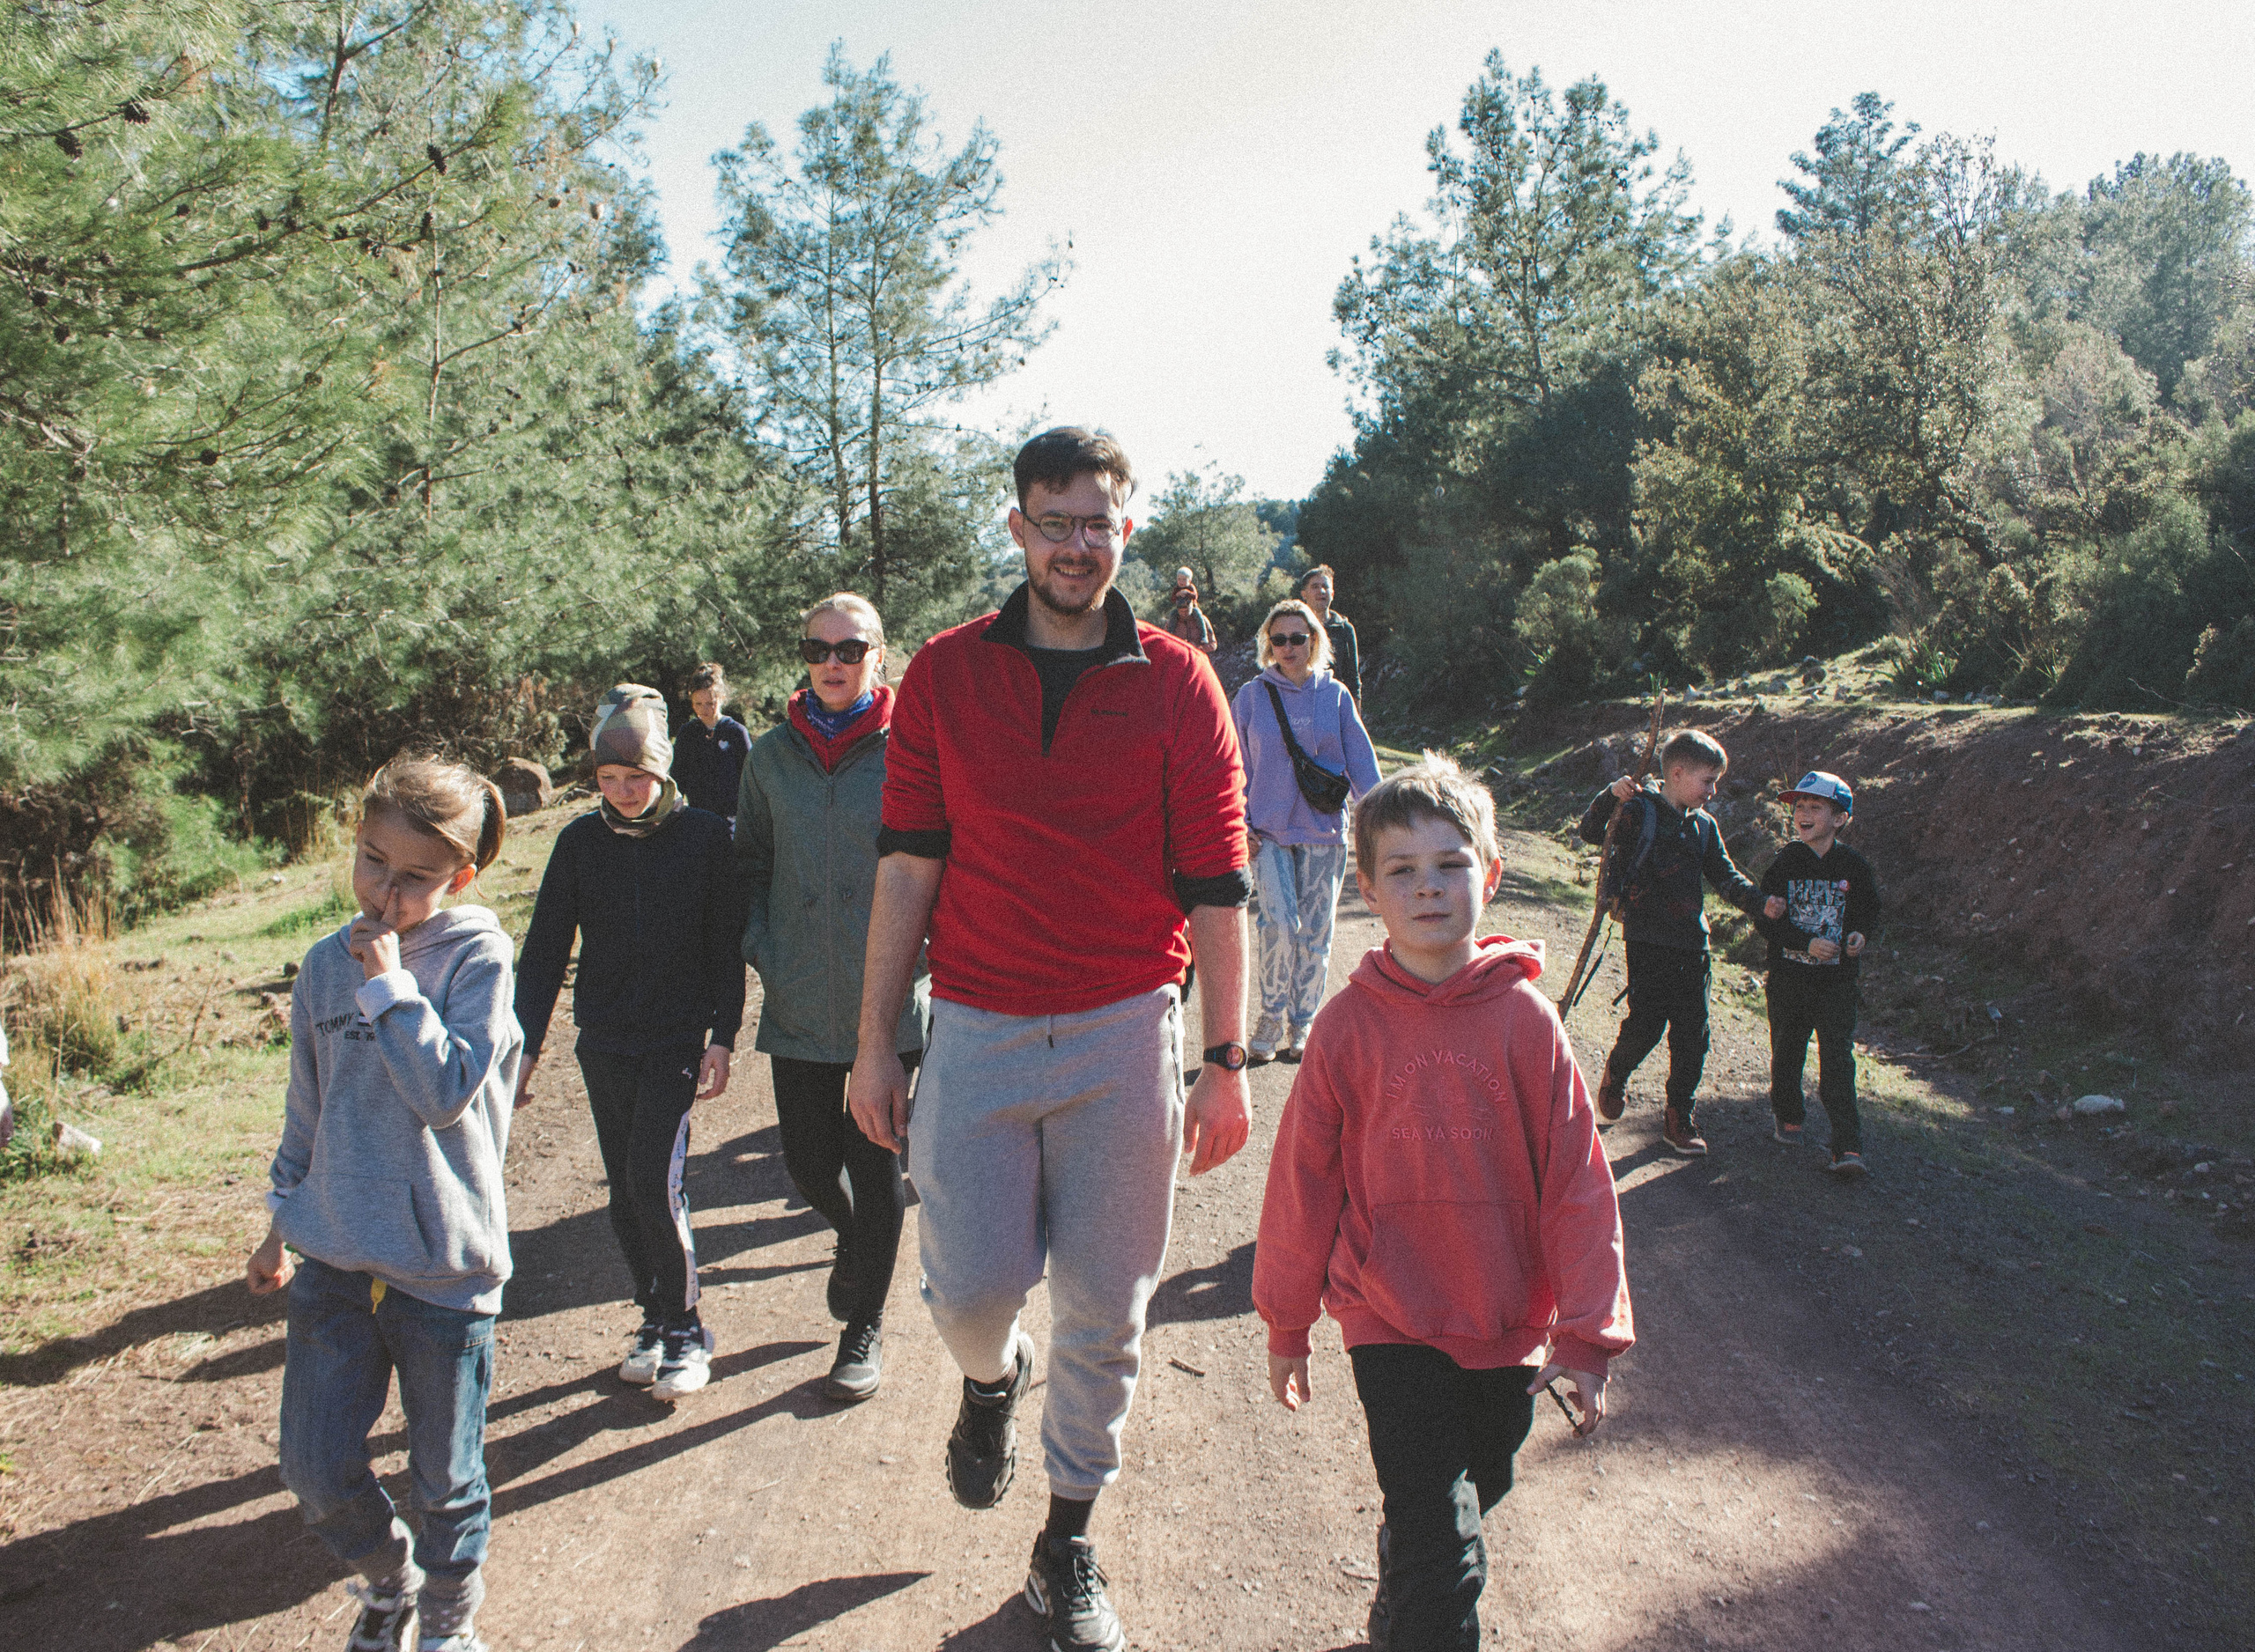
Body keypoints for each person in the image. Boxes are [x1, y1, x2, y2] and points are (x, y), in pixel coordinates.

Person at [847, 425, 1253, 1652]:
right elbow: (908, 866)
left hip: (1127, 1029)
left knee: (1107, 1307)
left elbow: (1219, 888)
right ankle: (988, 1379)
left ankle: (1067, 1542)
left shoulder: (1180, 681)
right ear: (1018, 528)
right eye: (1055, 521)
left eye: (1099, 523)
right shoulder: (946, 674)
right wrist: (877, 1041)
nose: (1079, 545)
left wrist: (1225, 1059)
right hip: (973, 1021)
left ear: (1128, 532)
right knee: (970, 1292)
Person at [1254, 755, 1632, 1652]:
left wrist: (1584, 1330)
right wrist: (1285, 1320)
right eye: (1403, 870)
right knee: (1446, 1551)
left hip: (1505, 1321)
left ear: (1490, 876)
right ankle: (1418, 1592)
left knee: (1475, 1484)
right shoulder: (1347, 1026)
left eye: (1451, 865)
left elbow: (1578, 1183)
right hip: (1388, 1317)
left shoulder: (1526, 1021)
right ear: (1367, 890)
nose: (1429, 888)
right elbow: (1302, 1183)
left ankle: (1408, 1564)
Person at [248, 756, 520, 1652]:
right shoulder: (326, 964)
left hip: (443, 1266)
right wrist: (279, 1221)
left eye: (413, 877)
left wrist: (393, 985)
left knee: (445, 1473)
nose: (382, 889)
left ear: (462, 877)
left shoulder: (477, 956)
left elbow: (442, 1090)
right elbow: (308, 1106)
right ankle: (390, 1579)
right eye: (371, 860)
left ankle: (447, 1616)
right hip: (334, 1256)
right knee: (315, 1465)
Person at [514, 685, 744, 1402]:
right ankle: (652, 1317)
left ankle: (687, 1328)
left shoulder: (706, 837)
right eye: (609, 780)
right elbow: (547, 949)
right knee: (622, 1191)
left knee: (654, 1179)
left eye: (637, 778)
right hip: (604, 1039)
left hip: (675, 1037)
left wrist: (724, 1036)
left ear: (665, 772)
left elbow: (724, 945)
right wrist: (525, 1048)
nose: (622, 792)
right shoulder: (579, 842)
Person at [735, 593, 927, 1403]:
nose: (833, 662)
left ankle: (864, 1329)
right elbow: (748, 865)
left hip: (886, 1002)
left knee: (873, 1167)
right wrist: (764, 952)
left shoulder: (912, 750)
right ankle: (853, 1241)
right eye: (818, 649)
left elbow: (939, 862)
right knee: (808, 1163)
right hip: (799, 998)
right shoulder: (769, 757)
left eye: (850, 648)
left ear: (879, 655)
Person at [1577, 728, 1765, 1157]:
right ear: (1677, 773)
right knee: (1646, 1025)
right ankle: (1617, 1073)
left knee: (1692, 1035)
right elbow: (1591, 833)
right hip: (1647, 939)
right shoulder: (1639, 811)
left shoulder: (1704, 827)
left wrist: (1761, 904)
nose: (1713, 791)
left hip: (1692, 944)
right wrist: (1611, 795)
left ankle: (1679, 1117)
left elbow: (1724, 876)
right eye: (1707, 780)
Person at [1231, 597, 1380, 1065]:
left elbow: (1361, 765)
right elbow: (1232, 767)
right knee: (1278, 925)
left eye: (1298, 638)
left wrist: (1382, 827)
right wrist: (1239, 823)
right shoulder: (1251, 696)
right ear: (1268, 645)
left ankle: (1303, 1022)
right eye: (1279, 640)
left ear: (1314, 640)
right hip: (1269, 833)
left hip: (1322, 832)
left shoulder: (1334, 695)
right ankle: (1270, 1017)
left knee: (1316, 931)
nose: (1289, 647)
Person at [1756, 771, 1882, 1176]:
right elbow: (1768, 918)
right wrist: (1802, 942)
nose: (1803, 814)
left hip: (1836, 983)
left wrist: (1859, 935)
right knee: (1788, 1051)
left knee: (1837, 1063)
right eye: (1799, 808)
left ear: (1840, 818)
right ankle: (1789, 1114)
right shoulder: (1785, 861)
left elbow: (1869, 911)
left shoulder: (1854, 866)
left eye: (1815, 807)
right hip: (1789, 979)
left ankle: (1848, 1147)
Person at [671, 663, 750, 823]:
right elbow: (678, 776)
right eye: (698, 704)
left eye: (710, 703)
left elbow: (750, 777)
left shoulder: (736, 732)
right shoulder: (687, 733)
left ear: (721, 698)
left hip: (732, 817)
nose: (703, 710)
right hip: (697, 815)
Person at [1299, 564, 1360, 702]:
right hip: (1302, 703)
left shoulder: (1344, 629)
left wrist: (1355, 718)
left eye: (1325, 587)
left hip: (1334, 702)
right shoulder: (1296, 628)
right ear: (1304, 594)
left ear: (1332, 594)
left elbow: (1353, 679)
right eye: (1315, 587)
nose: (1321, 591)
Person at [1161, 566, 1217, 654]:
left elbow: (1213, 645)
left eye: (1186, 611)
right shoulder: (1172, 621)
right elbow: (1164, 645)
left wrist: (1197, 647)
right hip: (1180, 658)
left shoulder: (1203, 620)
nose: (1184, 613)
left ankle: (1204, 636)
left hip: (1197, 657)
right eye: (1181, 611)